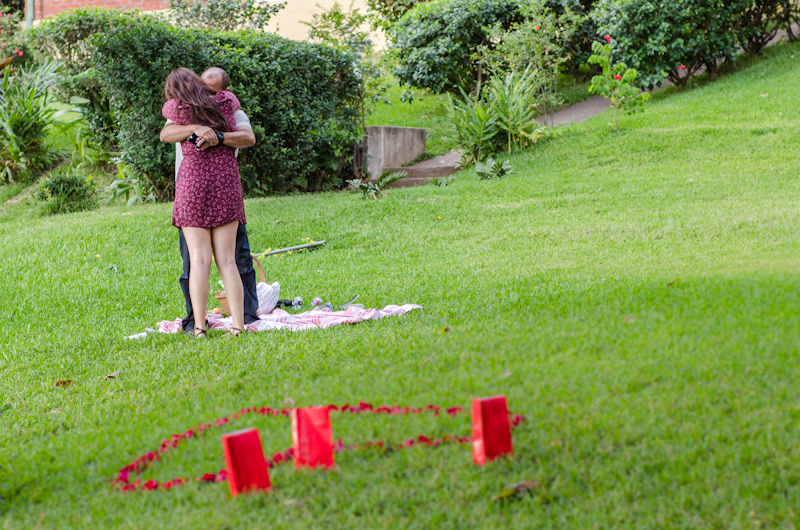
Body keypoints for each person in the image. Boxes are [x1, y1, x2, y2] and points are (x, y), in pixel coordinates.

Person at [160, 68, 258, 336]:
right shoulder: (229, 104)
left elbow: (249, 138)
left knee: (199, 261)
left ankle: (200, 328)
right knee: (227, 261)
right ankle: (238, 326)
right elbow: (166, 133)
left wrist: (216, 136)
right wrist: (200, 128)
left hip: (192, 185)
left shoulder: (179, 108)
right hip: (225, 182)